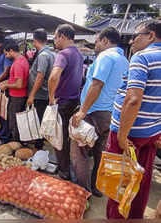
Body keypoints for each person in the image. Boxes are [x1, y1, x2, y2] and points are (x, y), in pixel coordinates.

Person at [106, 20, 161, 219]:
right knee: (142, 182)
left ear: (151, 35)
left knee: (118, 185)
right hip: (151, 133)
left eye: (136, 35)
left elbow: (133, 99)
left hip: (130, 135)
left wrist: (122, 135)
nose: (131, 41)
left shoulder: (142, 57)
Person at [70, 27, 129, 197]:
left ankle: (83, 191)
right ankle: (95, 186)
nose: (95, 45)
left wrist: (82, 111)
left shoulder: (105, 56)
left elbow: (97, 85)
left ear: (105, 40)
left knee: (80, 150)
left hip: (94, 112)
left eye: (96, 41)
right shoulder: (124, 60)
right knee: (100, 152)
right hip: (111, 113)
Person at [48, 24, 83, 180]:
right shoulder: (79, 54)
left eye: (55, 37)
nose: (55, 41)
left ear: (62, 36)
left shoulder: (63, 54)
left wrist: (51, 98)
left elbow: (54, 76)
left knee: (59, 138)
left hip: (62, 101)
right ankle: (67, 167)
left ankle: (64, 172)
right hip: (74, 100)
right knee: (68, 138)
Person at [27, 29, 55, 150]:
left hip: (40, 94)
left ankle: (38, 147)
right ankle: (39, 143)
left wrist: (31, 95)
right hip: (43, 93)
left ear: (35, 41)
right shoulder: (50, 53)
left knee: (38, 120)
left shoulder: (43, 55)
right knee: (40, 119)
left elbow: (40, 76)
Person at [0, 40, 29, 142]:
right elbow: (16, 80)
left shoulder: (18, 64)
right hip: (19, 95)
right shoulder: (22, 60)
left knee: (14, 122)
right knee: (16, 121)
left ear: (11, 51)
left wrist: (6, 85)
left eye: (6, 54)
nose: (6, 56)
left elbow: (19, 84)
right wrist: (6, 82)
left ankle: (16, 144)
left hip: (17, 97)